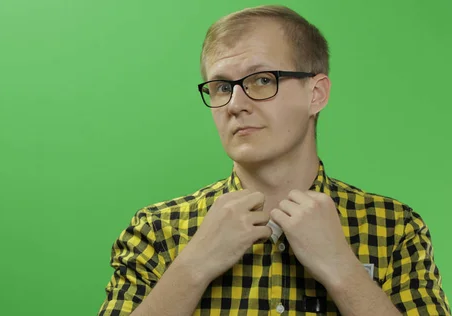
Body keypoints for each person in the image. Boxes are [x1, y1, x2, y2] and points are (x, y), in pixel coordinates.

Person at [97, 4, 450, 316]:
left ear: (316, 94)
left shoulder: (396, 229)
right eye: (221, 87)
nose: (235, 104)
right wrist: (193, 266)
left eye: (263, 80)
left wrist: (343, 269)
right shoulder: (157, 230)